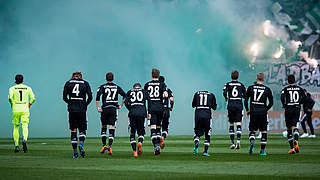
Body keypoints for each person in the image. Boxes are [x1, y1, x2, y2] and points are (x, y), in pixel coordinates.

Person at [63, 72, 92, 158]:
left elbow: (64, 97)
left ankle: (75, 153)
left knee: (73, 130)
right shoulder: (85, 83)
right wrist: (85, 104)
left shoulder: (68, 83)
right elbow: (90, 96)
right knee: (82, 129)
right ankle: (81, 144)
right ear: (80, 77)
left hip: (72, 109)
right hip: (82, 109)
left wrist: (70, 103)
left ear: (73, 76)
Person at [96, 72, 126, 155]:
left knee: (104, 126)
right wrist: (120, 105)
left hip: (105, 108)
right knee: (112, 127)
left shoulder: (102, 87)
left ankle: (103, 145)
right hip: (113, 108)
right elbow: (125, 95)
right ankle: (109, 146)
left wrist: (98, 107)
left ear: (106, 78)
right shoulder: (117, 87)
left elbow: (98, 96)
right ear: (113, 78)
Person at [244, 72, 273, 156]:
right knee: (264, 131)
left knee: (252, 130)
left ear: (256, 78)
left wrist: (247, 110)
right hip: (263, 112)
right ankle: (262, 151)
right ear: (263, 79)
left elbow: (245, 100)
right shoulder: (267, 89)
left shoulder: (250, 88)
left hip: (253, 112)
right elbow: (271, 103)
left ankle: (252, 141)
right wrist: (265, 109)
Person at [8, 74, 35, 153]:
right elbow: (33, 98)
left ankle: (16, 145)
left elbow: (10, 97)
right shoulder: (28, 88)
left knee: (16, 126)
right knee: (25, 126)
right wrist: (29, 104)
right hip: (25, 108)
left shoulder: (12, 88)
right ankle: (24, 140)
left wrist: (12, 103)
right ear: (23, 80)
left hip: (16, 108)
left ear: (15, 80)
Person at [281, 74, 306, 154]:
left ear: (288, 81)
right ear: (295, 81)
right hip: (296, 108)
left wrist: (284, 104)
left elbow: (282, 97)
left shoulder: (285, 89)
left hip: (288, 108)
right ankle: (296, 140)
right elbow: (305, 98)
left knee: (289, 129)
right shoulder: (299, 89)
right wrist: (299, 103)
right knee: (295, 126)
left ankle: (292, 148)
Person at [144, 68, 167, 155]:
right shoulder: (162, 84)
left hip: (151, 108)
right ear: (159, 75)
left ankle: (156, 146)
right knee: (158, 128)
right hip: (160, 108)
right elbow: (166, 94)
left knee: (153, 128)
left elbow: (144, 97)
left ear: (151, 75)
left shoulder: (147, 85)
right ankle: (158, 144)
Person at [124, 83, 150, 157]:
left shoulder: (129, 92)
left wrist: (130, 108)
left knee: (132, 133)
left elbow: (126, 102)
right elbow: (149, 101)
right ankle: (140, 142)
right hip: (142, 114)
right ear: (140, 87)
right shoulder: (144, 91)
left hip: (132, 113)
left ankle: (135, 151)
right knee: (141, 131)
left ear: (134, 87)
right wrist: (149, 112)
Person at [223, 70, 246, 149]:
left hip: (231, 104)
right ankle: (238, 141)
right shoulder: (241, 84)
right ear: (238, 76)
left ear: (231, 76)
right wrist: (241, 96)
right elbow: (245, 94)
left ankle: (232, 143)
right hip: (239, 105)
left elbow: (224, 92)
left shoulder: (228, 84)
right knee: (239, 123)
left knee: (231, 123)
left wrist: (226, 98)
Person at [192, 90, 217, 156]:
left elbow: (193, 105)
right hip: (207, 115)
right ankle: (205, 151)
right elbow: (214, 107)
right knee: (207, 133)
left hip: (198, 114)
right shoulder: (211, 94)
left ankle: (196, 142)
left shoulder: (196, 93)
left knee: (197, 132)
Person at [159, 76, 174, 149]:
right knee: (165, 128)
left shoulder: (155, 90)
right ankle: (163, 137)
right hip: (165, 109)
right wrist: (171, 107)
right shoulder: (168, 90)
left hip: (157, 109)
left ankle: (157, 144)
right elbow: (171, 100)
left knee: (157, 127)